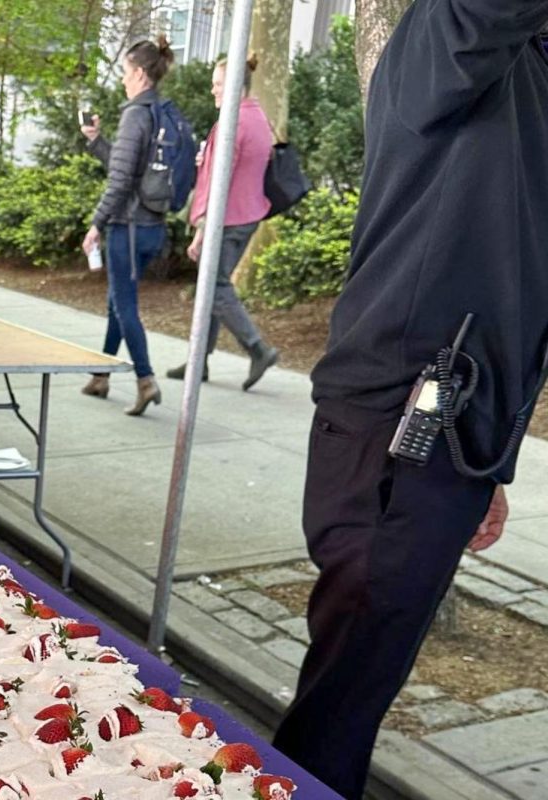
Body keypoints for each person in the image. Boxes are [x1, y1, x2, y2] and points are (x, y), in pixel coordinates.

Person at [271, 2, 548, 799]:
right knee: (337, 712)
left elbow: (510, 277)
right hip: (395, 426)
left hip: (453, 438)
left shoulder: (529, 75)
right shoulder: (447, 35)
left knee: (353, 696)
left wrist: (491, 458)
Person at [167, 55, 279, 390]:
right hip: (248, 213)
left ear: (233, 86)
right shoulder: (257, 117)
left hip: (227, 219)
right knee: (211, 286)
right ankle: (198, 362)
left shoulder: (233, 122)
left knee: (214, 286)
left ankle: (258, 349)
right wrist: (208, 157)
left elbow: (221, 179)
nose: (212, 90)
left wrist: (201, 226)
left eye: (217, 84)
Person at [78, 38, 175, 416]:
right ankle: (101, 376)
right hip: (153, 224)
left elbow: (119, 182)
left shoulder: (136, 115)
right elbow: (129, 170)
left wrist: (96, 224)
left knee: (125, 304)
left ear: (138, 73)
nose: (122, 80)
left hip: (128, 227)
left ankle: (146, 380)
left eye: (124, 72)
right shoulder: (163, 113)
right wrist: (97, 141)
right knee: (117, 301)